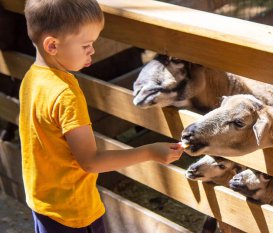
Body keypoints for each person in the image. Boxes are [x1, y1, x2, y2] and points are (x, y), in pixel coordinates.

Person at [19, 0, 184, 232]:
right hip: (73, 214)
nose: (92, 51)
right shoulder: (65, 94)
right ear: (52, 46)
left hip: (45, 203)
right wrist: (149, 152)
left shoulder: (32, 78)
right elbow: (90, 161)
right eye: (86, 45)